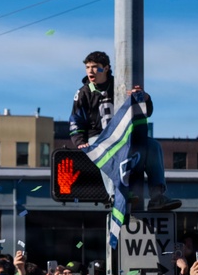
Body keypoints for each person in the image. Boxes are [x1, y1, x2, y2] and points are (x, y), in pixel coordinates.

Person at [68, 50, 181, 212]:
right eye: (87, 67)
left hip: (124, 136)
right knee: (103, 149)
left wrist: (145, 98)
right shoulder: (84, 92)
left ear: (106, 68)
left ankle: (157, 197)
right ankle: (116, 195)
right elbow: (75, 119)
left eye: (95, 67)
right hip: (98, 138)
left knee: (153, 146)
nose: (90, 71)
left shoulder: (121, 85)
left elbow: (145, 112)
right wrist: (80, 142)